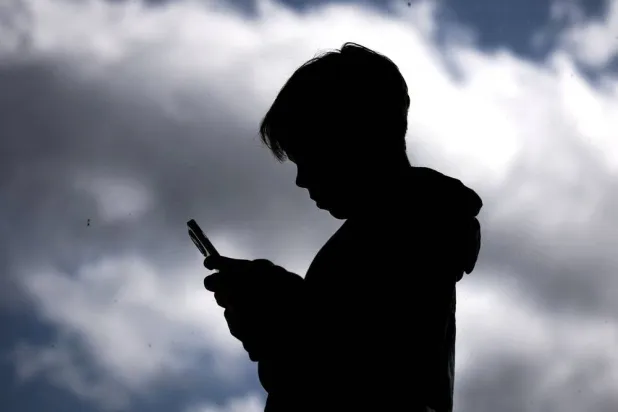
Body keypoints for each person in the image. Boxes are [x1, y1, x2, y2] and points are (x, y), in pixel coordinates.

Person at [203, 42, 483, 412]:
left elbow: (350, 377)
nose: (302, 181)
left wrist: (277, 315)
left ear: (355, 141)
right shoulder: (409, 228)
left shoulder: (396, 237)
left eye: (310, 158)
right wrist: (280, 297)